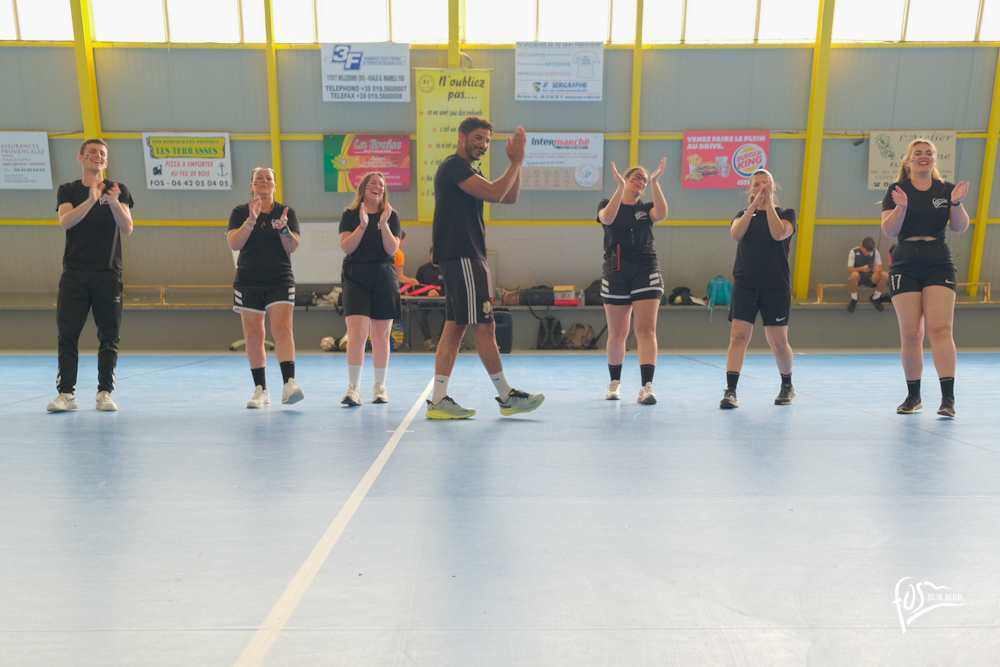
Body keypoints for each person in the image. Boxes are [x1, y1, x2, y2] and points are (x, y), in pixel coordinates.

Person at [426, 116, 544, 419]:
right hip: (464, 256)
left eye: (488, 141)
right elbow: (494, 192)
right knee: (485, 325)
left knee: (454, 328)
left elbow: (509, 197)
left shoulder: (470, 170)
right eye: (478, 138)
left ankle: (438, 400)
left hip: (465, 257)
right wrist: (515, 162)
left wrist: (518, 163)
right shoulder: (454, 166)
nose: (483, 144)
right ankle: (506, 396)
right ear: (461, 136)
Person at [881, 138, 970, 417]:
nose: (924, 156)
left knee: (940, 329)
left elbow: (960, 227)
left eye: (929, 153)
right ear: (908, 161)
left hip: (938, 260)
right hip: (905, 261)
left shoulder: (946, 189)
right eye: (917, 153)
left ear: (934, 159)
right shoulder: (896, 190)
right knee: (911, 333)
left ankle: (948, 399)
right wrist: (901, 207)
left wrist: (955, 203)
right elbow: (889, 231)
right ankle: (913, 396)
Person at [47, 138, 134, 413]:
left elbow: (128, 227)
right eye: (92, 152)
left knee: (109, 336)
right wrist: (91, 200)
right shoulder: (68, 190)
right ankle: (66, 394)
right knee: (67, 334)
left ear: (106, 161)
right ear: (81, 158)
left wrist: (114, 202)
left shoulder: (118, 190)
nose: (98, 156)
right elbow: (66, 221)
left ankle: (104, 393)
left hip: (108, 274)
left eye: (102, 153)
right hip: (75, 274)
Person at [720, 169, 798, 409]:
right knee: (738, 336)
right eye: (757, 184)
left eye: (766, 184)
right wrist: (754, 206)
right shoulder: (742, 215)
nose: (762, 187)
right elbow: (735, 234)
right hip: (745, 284)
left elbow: (778, 234)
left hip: (776, 285)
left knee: (778, 341)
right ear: (750, 189)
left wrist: (768, 204)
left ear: (774, 187)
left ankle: (787, 385)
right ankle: (731, 390)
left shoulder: (787, 214)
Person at [227, 167, 304, 408]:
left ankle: (289, 383)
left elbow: (292, 247)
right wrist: (250, 221)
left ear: (274, 186)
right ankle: (261, 390)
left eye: (268, 178)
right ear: (251, 186)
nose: (263, 181)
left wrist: (283, 229)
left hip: (279, 278)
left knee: (283, 329)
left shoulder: (286, 212)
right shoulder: (240, 212)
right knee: (253, 335)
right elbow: (234, 243)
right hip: (248, 280)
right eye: (258, 178)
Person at [598, 158, 668, 404]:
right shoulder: (607, 204)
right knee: (618, 332)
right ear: (625, 180)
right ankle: (614, 384)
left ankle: (647, 387)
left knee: (645, 330)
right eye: (636, 177)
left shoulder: (646, 208)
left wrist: (656, 182)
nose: (641, 181)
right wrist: (619, 187)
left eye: (644, 179)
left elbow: (662, 214)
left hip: (645, 270)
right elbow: (607, 219)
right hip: (616, 271)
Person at [338, 171, 402, 406]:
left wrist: (383, 224)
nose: (378, 186)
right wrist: (363, 226)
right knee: (357, 332)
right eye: (373, 183)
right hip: (356, 275)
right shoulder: (350, 215)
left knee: (381, 335)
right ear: (364, 188)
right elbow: (347, 247)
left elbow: (391, 249)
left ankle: (379, 387)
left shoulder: (391, 215)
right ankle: (354, 388)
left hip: (384, 275)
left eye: (382, 184)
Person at [415, 246, 445, 351]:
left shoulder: (446, 269)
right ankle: (428, 341)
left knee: (450, 314)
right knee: (421, 314)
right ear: (430, 255)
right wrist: (428, 293)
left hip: (442, 299)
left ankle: (442, 341)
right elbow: (417, 287)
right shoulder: (422, 269)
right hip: (426, 299)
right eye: (433, 255)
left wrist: (438, 293)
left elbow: (450, 287)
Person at [847, 236, 889, 312]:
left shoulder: (875, 252)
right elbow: (850, 269)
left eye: (870, 252)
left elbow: (881, 268)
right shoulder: (853, 251)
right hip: (859, 276)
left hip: (870, 277)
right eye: (866, 251)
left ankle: (875, 297)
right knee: (854, 275)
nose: (868, 253)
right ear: (862, 247)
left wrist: (877, 269)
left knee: (885, 275)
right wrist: (862, 269)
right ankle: (854, 298)